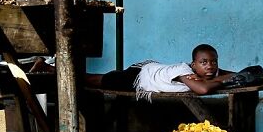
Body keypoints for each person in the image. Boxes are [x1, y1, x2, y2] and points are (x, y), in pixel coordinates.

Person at [86, 44, 234, 98]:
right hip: (140, 75)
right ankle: (78, 78)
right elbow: (202, 89)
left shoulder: (209, 72)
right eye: (204, 62)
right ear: (193, 65)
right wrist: (224, 80)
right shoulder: (183, 71)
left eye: (214, 62)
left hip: (155, 68)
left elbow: (236, 75)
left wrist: (229, 77)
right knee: (104, 80)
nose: (210, 66)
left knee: (106, 78)